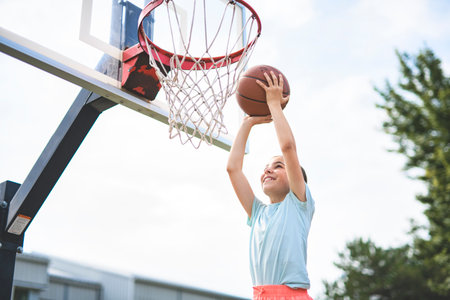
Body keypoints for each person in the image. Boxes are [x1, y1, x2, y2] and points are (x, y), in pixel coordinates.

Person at [226, 71, 315, 300]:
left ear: (297, 180)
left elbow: (288, 148)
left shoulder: (298, 205)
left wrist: (274, 105)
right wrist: (247, 123)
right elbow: (233, 169)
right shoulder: (257, 213)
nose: (268, 170)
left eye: (278, 166)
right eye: (267, 167)